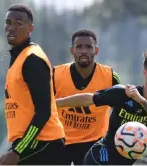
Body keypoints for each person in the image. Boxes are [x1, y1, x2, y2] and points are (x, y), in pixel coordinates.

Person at [56, 49, 147, 165]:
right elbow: (89, 99)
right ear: (146, 73)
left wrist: (140, 100)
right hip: (101, 156)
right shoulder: (123, 93)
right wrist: (55, 103)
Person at [0, 4, 65, 165]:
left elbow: (43, 112)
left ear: (30, 28)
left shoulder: (32, 59)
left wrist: (17, 151)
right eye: (8, 22)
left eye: (18, 23)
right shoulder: (19, 57)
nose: (11, 27)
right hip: (31, 143)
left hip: (44, 144)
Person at [53, 29, 121, 165]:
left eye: (88, 47)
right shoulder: (55, 74)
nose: (83, 51)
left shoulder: (110, 76)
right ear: (72, 50)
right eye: (79, 47)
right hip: (60, 140)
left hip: (93, 142)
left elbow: (119, 110)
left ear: (96, 50)